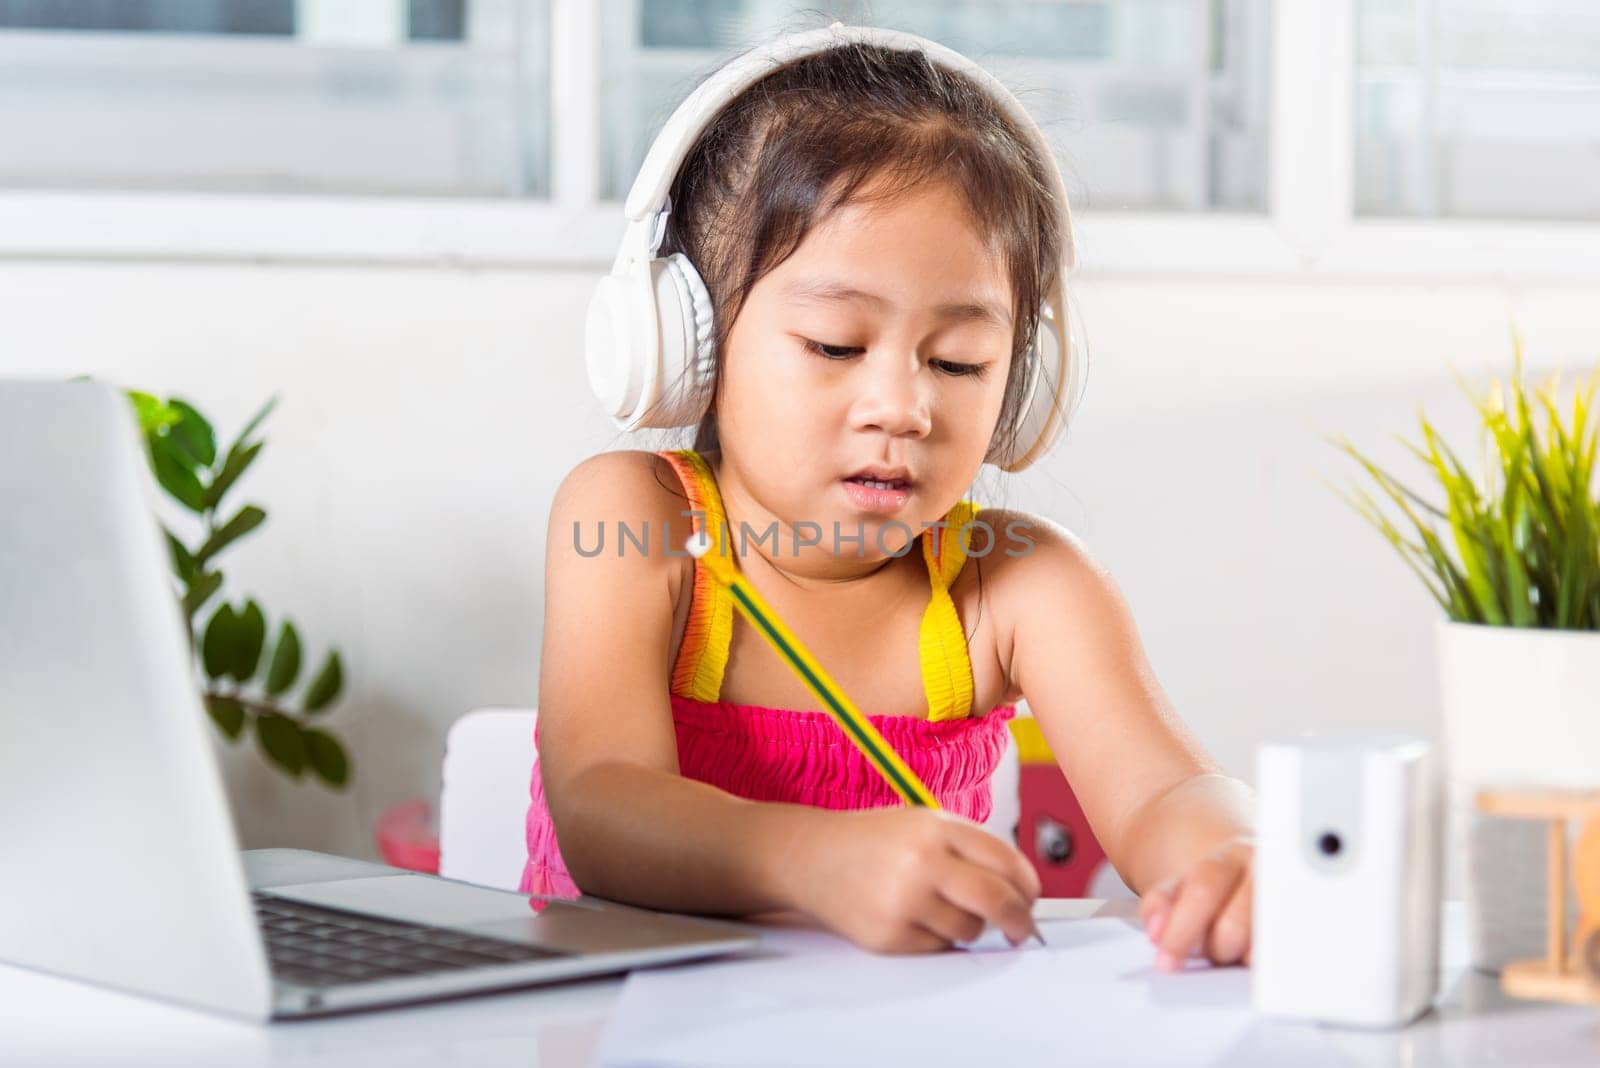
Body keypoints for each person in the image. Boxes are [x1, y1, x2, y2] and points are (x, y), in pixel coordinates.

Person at [523, 25, 1255, 968]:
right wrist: (807, 858)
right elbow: (602, 800)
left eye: (959, 361)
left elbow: (1167, 795)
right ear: (687, 344)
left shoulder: (1017, 586)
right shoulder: (633, 519)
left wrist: (1236, 855)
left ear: (1020, 386)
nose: (902, 407)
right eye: (834, 345)